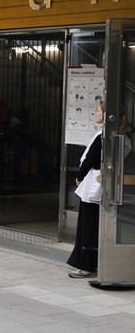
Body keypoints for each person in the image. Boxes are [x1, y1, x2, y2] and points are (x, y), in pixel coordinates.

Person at [67, 102, 105, 279]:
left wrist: (80, 176)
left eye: (98, 110)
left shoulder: (101, 137)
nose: (96, 113)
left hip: (93, 187)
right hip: (99, 187)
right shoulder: (113, 136)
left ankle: (86, 265)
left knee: (87, 225)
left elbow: (89, 160)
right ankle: (95, 262)